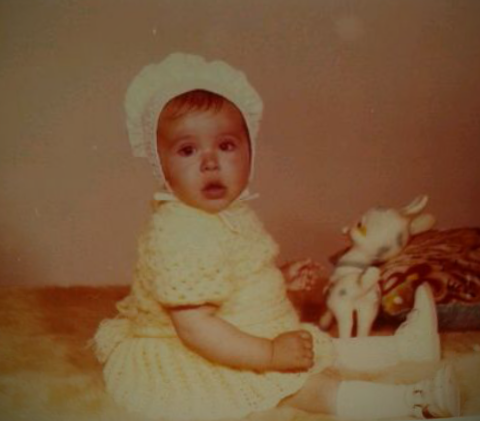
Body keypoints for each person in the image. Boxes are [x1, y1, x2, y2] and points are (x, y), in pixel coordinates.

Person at [93, 53, 460, 421]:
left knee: (315, 348)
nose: (210, 162)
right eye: (188, 150)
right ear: (161, 166)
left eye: (226, 145)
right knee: (301, 386)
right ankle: (413, 403)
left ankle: (405, 350)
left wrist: (278, 278)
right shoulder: (179, 233)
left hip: (238, 331)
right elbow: (196, 328)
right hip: (190, 349)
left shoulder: (228, 213)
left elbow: (233, 277)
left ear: (249, 151)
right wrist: (270, 354)